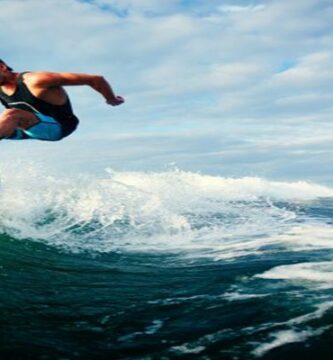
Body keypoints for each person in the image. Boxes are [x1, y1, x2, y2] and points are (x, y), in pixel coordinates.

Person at [0, 59, 124, 141]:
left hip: (59, 127)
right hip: (28, 129)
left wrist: (111, 99)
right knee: (10, 116)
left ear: (2, 67)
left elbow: (95, 79)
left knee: (11, 114)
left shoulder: (36, 80)